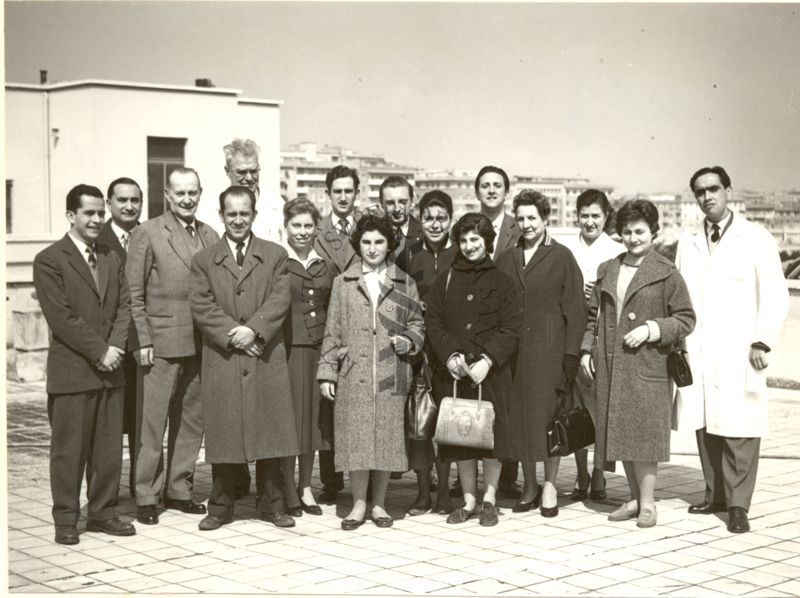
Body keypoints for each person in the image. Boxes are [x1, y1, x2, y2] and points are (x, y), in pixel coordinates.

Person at [676, 166, 789, 534]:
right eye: (700, 192)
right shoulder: (687, 244)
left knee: (740, 427)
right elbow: (680, 299)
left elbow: (775, 292)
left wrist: (762, 339)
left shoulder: (755, 238)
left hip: (740, 348)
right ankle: (716, 495)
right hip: (699, 347)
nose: (707, 197)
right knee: (705, 422)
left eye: (713, 189)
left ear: (728, 190)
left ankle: (738, 505)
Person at [580, 200, 695, 528]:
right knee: (620, 433)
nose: (633, 238)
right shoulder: (608, 268)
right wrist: (587, 350)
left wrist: (652, 329)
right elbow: (593, 316)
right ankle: (632, 499)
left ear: (654, 233)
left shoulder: (666, 272)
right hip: (611, 364)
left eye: (640, 231)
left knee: (644, 436)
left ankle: (648, 505)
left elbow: (686, 319)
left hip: (649, 366)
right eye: (627, 231)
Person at [190, 186, 299, 530]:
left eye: (244, 213)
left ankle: (273, 503)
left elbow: (280, 299)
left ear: (254, 214)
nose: (238, 220)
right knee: (224, 431)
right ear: (221, 216)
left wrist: (254, 330)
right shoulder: (204, 260)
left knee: (270, 431)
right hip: (224, 357)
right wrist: (234, 335)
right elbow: (201, 305)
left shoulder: (276, 255)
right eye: (231, 214)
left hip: (264, 355)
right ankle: (220, 506)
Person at [33, 184, 136, 545]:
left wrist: (115, 348)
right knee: (69, 451)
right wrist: (100, 351)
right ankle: (65, 518)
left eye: (99, 213)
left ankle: (103, 512)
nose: (96, 219)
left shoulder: (111, 256)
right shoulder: (49, 260)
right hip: (73, 373)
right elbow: (61, 318)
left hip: (112, 371)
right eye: (88, 213)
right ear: (71, 216)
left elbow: (125, 307)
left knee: (107, 450)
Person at [317, 215, 425, 530]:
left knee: (386, 437)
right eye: (366, 242)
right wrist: (327, 371)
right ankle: (358, 503)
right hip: (354, 371)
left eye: (379, 242)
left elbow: (417, 322)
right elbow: (332, 329)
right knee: (357, 436)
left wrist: (409, 340)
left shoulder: (404, 282)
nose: (373, 248)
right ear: (358, 245)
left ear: (389, 244)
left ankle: (379, 504)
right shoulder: (344, 283)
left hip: (392, 371)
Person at [126, 167, 218, 525]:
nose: (186, 199)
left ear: (200, 192)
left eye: (192, 192)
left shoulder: (210, 234)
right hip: (160, 346)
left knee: (191, 422)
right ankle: (146, 495)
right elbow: (133, 293)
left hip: (200, 344)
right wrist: (142, 339)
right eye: (179, 193)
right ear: (167, 194)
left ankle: (179, 489)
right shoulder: (147, 232)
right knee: (152, 424)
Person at [426, 213, 522, 526]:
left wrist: (489, 360)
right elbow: (434, 322)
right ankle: (468, 500)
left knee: (491, 437)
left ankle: (489, 500)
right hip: (455, 373)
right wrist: (451, 357)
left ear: (487, 242)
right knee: (461, 435)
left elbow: (511, 327)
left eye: (475, 240)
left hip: (490, 373)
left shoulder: (503, 281)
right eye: (464, 240)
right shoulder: (447, 278)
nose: (469, 246)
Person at [497, 190, 586, 518]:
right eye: (520, 218)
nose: (526, 224)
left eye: (532, 217)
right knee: (521, 419)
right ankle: (529, 484)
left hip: (549, 354)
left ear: (545, 218)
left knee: (548, 419)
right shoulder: (506, 258)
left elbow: (576, 310)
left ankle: (549, 485)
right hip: (515, 355)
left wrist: (570, 355)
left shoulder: (562, 256)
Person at [561, 189, 624, 501]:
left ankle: (599, 474)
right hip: (569, 334)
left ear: (605, 217)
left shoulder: (616, 250)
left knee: (599, 406)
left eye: (595, 216)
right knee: (576, 407)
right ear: (577, 216)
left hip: (601, 335)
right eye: (584, 215)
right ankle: (581, 474)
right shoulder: (565, 247)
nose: (589, 222)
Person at [279, 198, 336, 517]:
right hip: (286, 351)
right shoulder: (277, 260)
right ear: (285, 227)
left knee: (312, 424)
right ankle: (287, 488)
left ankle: (305, 487)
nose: (302, 232)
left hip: (317, 352)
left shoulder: (325, 264)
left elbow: (331, 308)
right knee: (290, 422)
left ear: (317, 228)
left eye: (308, 226)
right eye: (296, 225)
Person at [405, 190, 459, 516]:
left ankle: (444, 492)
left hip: (451, 353)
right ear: (420, 219)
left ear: (450, 220)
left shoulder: (461, 255)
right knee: (419, 422)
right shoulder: (409, 255)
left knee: (449, 423)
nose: (435, 225)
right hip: (419, 353)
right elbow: (397, 298)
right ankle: (423, 490)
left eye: (441, 218)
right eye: (429, 218)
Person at [312, 165, 362, 502]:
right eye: (337, 191)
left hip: (360, 322)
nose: (343, 197)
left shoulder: (369, 228)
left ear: (357, 193)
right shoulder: (315, 231)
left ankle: (364, 473)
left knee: (360, 403)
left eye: (349, 191)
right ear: (328, 194)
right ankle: (331, 479)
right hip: (325, 325)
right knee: (327, 405)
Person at [474, 165, 522, 497]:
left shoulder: (520, 228)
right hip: (475, 322)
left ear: (507, 191)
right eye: (485, 185)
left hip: (508, 320)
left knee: (507, 402)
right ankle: (466, 472)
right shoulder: (469, 226)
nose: (491, 190)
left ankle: (507, 474)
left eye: (497, 185)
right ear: (477, 191)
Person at [98, 177, 143, 499]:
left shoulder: (150, 235)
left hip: (141, 345)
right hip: (108, 348)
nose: (129, 206)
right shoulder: (95, 239)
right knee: (108, 426)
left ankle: (143, 491)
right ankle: (106, 494)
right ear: (108, 203)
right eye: (122, 200)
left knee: (142, 424)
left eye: (135, 200)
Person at [223, 138, 284, 243]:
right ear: (227, 171)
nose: (249, 178)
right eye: (241, 172)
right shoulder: (211, 209)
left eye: (253, 171)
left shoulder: (277, 205)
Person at [379, 175, 423, 273]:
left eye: (403, 202)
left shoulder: (426, 233)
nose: (397, 209)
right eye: (390, 203)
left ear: (412, 202)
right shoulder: (372, 233)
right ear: (381, 204)